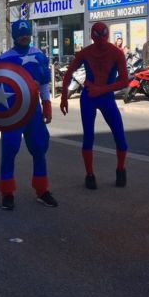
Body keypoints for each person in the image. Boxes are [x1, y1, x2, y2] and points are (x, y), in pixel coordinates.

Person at [0, 20, 57, 210]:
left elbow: (44, 82)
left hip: (33, 111)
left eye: (27, 33)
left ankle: (42, 190)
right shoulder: (4, 59)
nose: (24, 36)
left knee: (39, 148)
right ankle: (7, 192)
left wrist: (47, 105)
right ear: (14, 36)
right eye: (21, 34)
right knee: (9, 150)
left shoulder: (38, 55)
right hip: (12, 113)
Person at [60, 22, 129, 189]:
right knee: (90, 137)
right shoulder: (92, 52)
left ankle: (119, 170)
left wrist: (100, 89)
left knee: (119, 137)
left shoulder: (113, 53)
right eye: (98, 41)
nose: (100, 45)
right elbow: (69, 72)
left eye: (102, 41)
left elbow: (125, 81)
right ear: (93, 37)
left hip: (98, 96)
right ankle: (92, 174)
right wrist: (63, 97)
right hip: (94, 96)